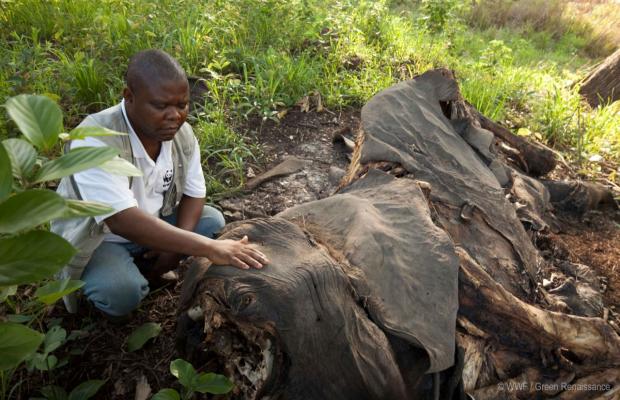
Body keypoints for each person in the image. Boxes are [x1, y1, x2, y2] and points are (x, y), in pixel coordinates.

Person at [51, 49, 268, 317]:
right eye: (160, 106)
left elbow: (194, 194)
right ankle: (107, 289)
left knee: (211, 220)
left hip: (150, 224)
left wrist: (172, 251)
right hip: (100, 238)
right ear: (129, 96)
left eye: (182, 105)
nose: (175, 115)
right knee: (121, 292)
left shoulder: (181, 135)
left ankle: (147, 265)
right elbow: (120, 221)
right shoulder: (94, 138)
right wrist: (209, 249)